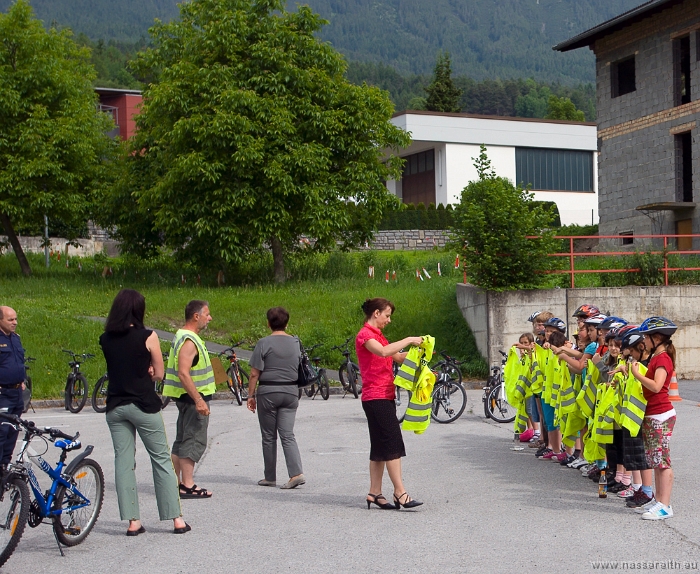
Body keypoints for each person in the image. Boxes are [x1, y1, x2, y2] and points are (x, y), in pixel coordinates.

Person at [99, 290, 190, 535]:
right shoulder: (148, 336)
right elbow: (159, 373)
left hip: (115, 406)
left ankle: (133, 522)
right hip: (143, 404)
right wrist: (150, 369)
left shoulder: (105, 338)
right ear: (138, 310)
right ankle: (176, 519)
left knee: (124, 462)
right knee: (160, 458)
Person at [355, 298, 424, 510]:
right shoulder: (365, 336)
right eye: (387, 315)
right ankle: (400, 492)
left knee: (379, 448)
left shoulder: (380, 337)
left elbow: (398, 357)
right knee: (392, 444)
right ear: (376, 313)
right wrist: (409, 339)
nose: (389, 319)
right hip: (376, 397)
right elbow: (384, 352)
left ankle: (374, 493)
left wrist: (421, 356)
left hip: (384, 395)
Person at [246, 307, 305, 489]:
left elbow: (255, 373)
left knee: (268, 436)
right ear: (287, 323)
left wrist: (250, 395)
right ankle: (296, 473)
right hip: (290, 392)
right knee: (287, 434)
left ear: (268, 323)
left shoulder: (263, 343)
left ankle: (270, 476)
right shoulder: (296, 342)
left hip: (269, 392)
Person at [162, 300, 215, 499]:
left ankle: (171, 482)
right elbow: (183, 373)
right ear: (196, 316)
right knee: (193, 440)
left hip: (185, 398)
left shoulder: (181, 336)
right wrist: (199, 400)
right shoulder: (189, 341)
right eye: (207, 314)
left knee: (182, 440)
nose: (209, 318)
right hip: (193, 399)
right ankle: (188, 485)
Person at [630, 317, 678, 520]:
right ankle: (659, 501)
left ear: (656, 338)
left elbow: (657, 386)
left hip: (660, 414)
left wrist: (636, 374)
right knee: (656, 461)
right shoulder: (656, 357)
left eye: (646, 337)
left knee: (662, 462)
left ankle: (665, 505)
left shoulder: (663, 358)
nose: (644, 341)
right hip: (653, 414)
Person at [0, 306, 26, 474]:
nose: (14, 322)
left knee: (13, 431)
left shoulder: (15, 338)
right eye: (10, 320)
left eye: (15, 319)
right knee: (1, 433)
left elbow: (18, 361)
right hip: (3, 394)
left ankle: (5, 466)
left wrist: (21, 380)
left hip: (17, 393)